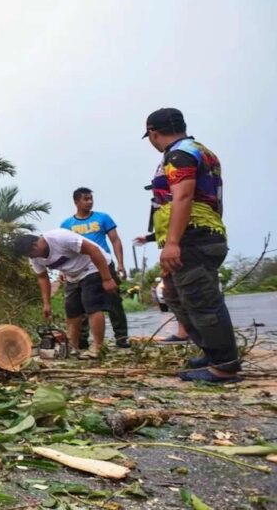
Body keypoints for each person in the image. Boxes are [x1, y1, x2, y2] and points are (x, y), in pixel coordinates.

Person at [141, 107, 240, 383]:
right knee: (173, 293)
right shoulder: (201, 151)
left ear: (152, 132)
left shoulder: (180, 154)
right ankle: (212, 352)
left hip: (192, 236)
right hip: (199, 233)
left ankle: (224, 365)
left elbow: (183, 197)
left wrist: (173, 243)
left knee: (201, 300)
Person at [14, 229, 117, 359]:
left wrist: (107, 279)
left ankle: (98, 347)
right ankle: (71, 346)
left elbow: (93, 250)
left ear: (35, 245)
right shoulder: (35, 258)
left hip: (94, 266)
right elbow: (42, 277)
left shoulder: (61, 238)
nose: (32, 258)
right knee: (72, 309)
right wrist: (46, 303)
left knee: (92, 305)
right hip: (73, 275)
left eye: (31, 254)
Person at [60, 188, 131, 348]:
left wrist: (120, 263)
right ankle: (83, 339)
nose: (90, 202)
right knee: (83, 305)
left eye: (91, 198)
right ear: (76, 202)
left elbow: (115, 240)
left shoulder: (103, 218)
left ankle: (121, 337)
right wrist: (62, 270)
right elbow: (64, 249)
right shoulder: (67, 224)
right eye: (86, 199)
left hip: (104, 265)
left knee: (114, 301)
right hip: (82, 269)